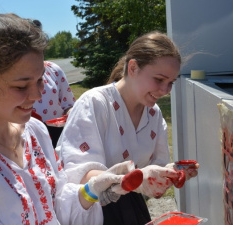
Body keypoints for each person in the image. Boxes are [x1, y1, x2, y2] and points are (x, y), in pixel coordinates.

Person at [0, 12, 133, 225]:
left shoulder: (35, 131)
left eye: (40, 80)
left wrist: (93, 189)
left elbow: (56, 207)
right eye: (21, 86)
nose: (37, 95)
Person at [56, 31, 199, 225]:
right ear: (133, 67)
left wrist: (169, 174)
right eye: (159, 79)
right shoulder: (95, 103)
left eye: (171, 83)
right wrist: (138, 181)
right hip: (92, 211)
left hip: (132, 208)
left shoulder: (154, 113)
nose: (165, 90)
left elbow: (155, 168)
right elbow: (80, 176)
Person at [32, 60, 75, 148]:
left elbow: (68, 104)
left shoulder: (53, 69)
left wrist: (72, 114)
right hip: (27, 133)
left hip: (56, 131)